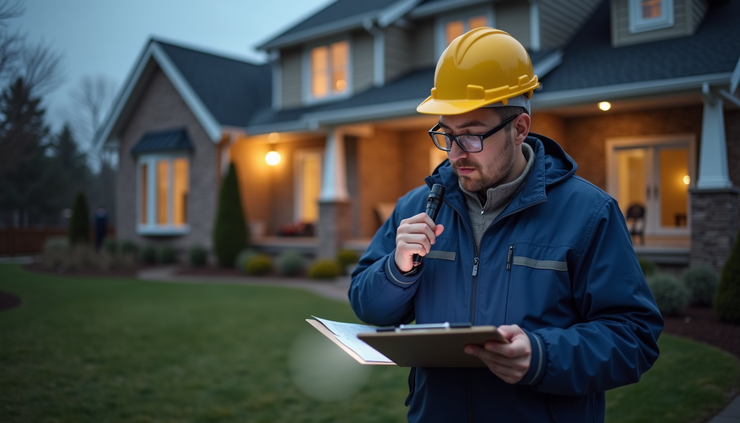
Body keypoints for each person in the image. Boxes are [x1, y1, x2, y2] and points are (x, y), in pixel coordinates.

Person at [349, 27, 663, 423]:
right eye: (447, 134)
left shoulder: (589, 213)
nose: (457, 153)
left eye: (473, 135)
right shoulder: (417, 207)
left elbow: (633, 336)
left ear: (519, 129)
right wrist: (397, 270)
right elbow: (368, 305)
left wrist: (543, 356)